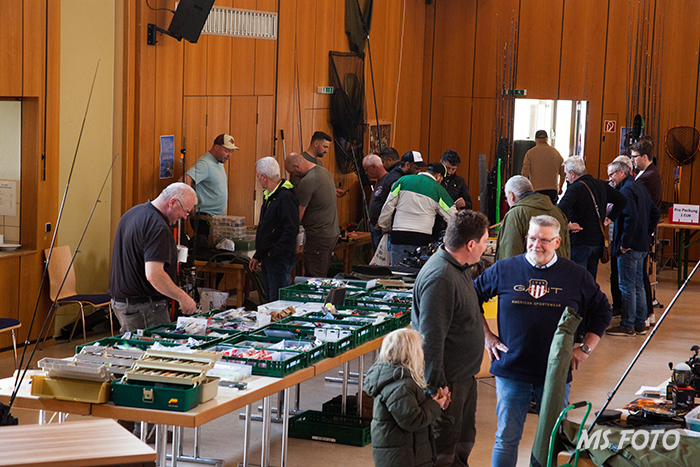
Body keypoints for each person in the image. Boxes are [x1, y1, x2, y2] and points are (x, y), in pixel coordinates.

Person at [474, 215, 612, 467]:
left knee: (551, 440)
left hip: (555, 374)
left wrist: (585, 349)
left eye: (544, 240)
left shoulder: (576, 276)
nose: (536, 245)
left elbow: (603, 311)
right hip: (512, 369)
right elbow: (471, 297)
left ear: (557, 242)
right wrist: (487, 337)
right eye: (532, 238)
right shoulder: (504, 269)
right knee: (506, 438)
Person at [412, 209, 490, 466]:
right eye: (484, 241)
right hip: (448, 384)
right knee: (444, 449)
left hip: (463, 377)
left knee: (462, 442)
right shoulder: (441, 279)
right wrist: (437, 386)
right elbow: (430, 338)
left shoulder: (459, 268)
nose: (486, 247)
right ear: (470, 245)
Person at [110, 182, 198, 332]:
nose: (184, 217)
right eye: (185, 212)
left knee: (135, 346)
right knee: (157, 346)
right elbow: (154, 275)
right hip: (145, 308)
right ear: (172, 202)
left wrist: (168, 250)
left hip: (123, 303)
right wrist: (183, 297)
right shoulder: (158, 227)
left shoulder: (133, 213)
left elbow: (138, 250)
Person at [364, 328, 451, 467]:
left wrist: (434, 401)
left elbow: (411, 408)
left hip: (404, 452)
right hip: (404, 457)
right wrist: (436, 405)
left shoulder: (399, 380)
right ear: (411, 354)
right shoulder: (401, 386)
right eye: (420, 348)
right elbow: (413, 420)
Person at [605, 160, 660, 337]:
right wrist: (646, 233)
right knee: (638, 284)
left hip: (629, 247)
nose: (610, 179)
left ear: (622, 172)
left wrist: (625, 243)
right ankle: (639, 324)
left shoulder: (626, 190)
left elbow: (630, 217)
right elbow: (655, 214)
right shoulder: (640, 187)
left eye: (612, 174)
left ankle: (627, 325)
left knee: (627, 285)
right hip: (642, 244)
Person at [557, 156, 627, 279]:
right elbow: (622, 200)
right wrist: (609, 219)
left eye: (566, 174)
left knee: (577, 280)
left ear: (572, 174)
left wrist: (568, 225)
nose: (566, 177)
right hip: (597, 241)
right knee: (590, 281)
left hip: (580, 241)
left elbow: (562, 207)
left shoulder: (575, 188)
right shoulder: (601, 185)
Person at [378, 162, 457, 266]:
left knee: (397, 270)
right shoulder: (439, 190)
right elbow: (453, 217)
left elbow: (388, 206)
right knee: (417, 272)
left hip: (399, 235)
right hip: (422, 238)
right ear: (438, 176)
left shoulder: (403, 180)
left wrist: (385, 226)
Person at [248, 157, 299, 302]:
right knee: (269, 298)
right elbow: (266, 230)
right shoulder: (270, 196)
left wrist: (274, 252)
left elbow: (291, 229)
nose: (258, 180)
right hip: (269, 256)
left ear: (264, 177)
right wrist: (258, 255)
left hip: (279, 258)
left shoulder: (285, 196)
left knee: (277, 300)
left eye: (258, 177)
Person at [285, 152, 339, 278]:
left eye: (292, 172)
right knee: (320, 273)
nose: (293, 176)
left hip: (318, 236)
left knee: (315, 278)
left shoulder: (308, 181)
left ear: (297, 167)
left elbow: (299, 214)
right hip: (331, 233)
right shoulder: (324, 172)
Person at [495, 175, 570, 261]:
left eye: (506, 198)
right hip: (557, 268)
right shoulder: (558, 212)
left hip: (528, 269)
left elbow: (509, 253)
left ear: (511, 195)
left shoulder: (515, 214)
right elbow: (566, 249)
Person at [630, 139, 663, 322]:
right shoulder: (647, 173)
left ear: (644, 157)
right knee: (640, 274)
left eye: (634, 157)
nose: (632, 160)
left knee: (639, 276)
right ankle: (646, 313)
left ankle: (645, 314)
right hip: (644, 229)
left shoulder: (647, 177)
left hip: (642, 230)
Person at [185, 133, 239, 239]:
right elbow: (185, 180)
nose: (229, 155)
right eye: (226, 151)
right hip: (205, 219)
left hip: (215, 219)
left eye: (231, 152)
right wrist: (190, 206)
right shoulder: (205, 164)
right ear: (216, 147)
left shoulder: (218, 163)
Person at [294, 131, 346, 198]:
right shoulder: (299, 160)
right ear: (316, 143)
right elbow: (296, 186)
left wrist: (333, 191)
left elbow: (319, 184)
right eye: (325, 147)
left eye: (327, 147)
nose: (326, 151)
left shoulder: (319, 163)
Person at [433, 149, 473, 236]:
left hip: (450, 225)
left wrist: (464, 203)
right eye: (447, 168)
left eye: (453, 169)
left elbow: (469, 204)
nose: (450, 172)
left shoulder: (460, 181)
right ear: (441, 162)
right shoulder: (433, 179)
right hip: (433, 224)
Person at [521, 130, 565, 204]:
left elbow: (525, 174)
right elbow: (563, 174)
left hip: (536, 191)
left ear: (536, 140)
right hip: (552, 192)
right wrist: (560, 188)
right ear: (547, 139)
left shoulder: (530, 153)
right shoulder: (556, 153)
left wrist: (524, 191)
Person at [363, 154, 388, 250]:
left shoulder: (387, 180)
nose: (365, 173)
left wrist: (380, 225)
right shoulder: (378, 181)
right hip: (374, 226)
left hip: (381, 228)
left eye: (366, 169)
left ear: (373, 167)